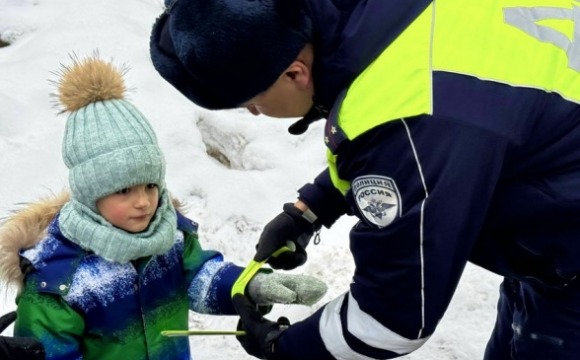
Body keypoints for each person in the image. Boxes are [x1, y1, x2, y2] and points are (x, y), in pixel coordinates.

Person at [148, 0, 580, 359]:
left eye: (251, 102)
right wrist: (309, 210)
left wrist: (286, 347)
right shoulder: (375, 22)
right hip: (552, 240)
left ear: (294, 73)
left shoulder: (415, 116)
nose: (255, 114)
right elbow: (411, 145)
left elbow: (392, 318)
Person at [0, 54, 327, 360]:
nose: (143, 201)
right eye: (124, 190)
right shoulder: (57, 279)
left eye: (150, 186)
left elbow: (197, 277)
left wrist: (253, 286)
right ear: (90, 194)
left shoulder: (168, 235)